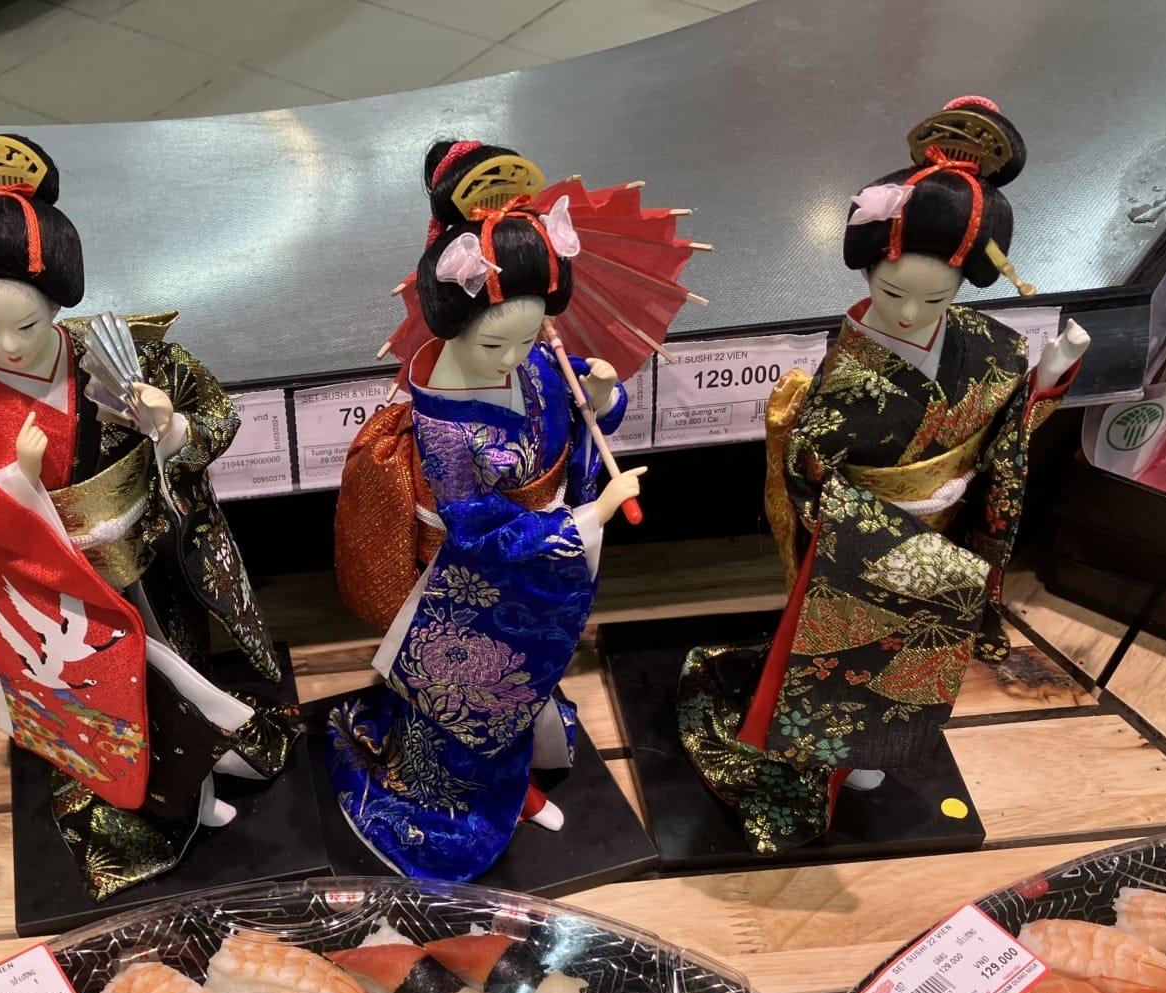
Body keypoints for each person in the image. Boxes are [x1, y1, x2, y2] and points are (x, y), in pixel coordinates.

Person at [676, 98, 1089, 857]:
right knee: (840, 667)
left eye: (936, 298)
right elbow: (808, 473)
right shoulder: (845, 376)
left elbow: (1004, 436)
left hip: (943, 537)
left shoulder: (989, 347)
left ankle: (871, 758)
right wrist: (876, 527)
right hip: (857, 549)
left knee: (910, 664)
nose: (908, 313)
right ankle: (822, 768)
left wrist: (1048, 378)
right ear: (869, 269)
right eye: (893, 292)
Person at [0, 134, 290, 902]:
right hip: (54, 599)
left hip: (150, 566)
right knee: (107, 711)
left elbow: (220, 419)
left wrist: (168, 428)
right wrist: (15, 486)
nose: (9, 346)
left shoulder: (133, 360)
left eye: (26, 325)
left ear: (57, 301)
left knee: (178, 685)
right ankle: (152, 811)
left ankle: (197, 788)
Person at [325, 139, 643, 883]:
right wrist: (589, 520)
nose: (513, 357)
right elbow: (475, 525)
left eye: (529, 337)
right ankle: (484, 800)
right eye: (495, 341)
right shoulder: (442, 419)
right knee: (470, 706)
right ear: (451, 321)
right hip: (468, 580)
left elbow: (570, 422)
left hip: (535, 559)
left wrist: (601, 397)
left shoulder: (533, 361)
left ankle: (519, 777)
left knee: (529, 679)